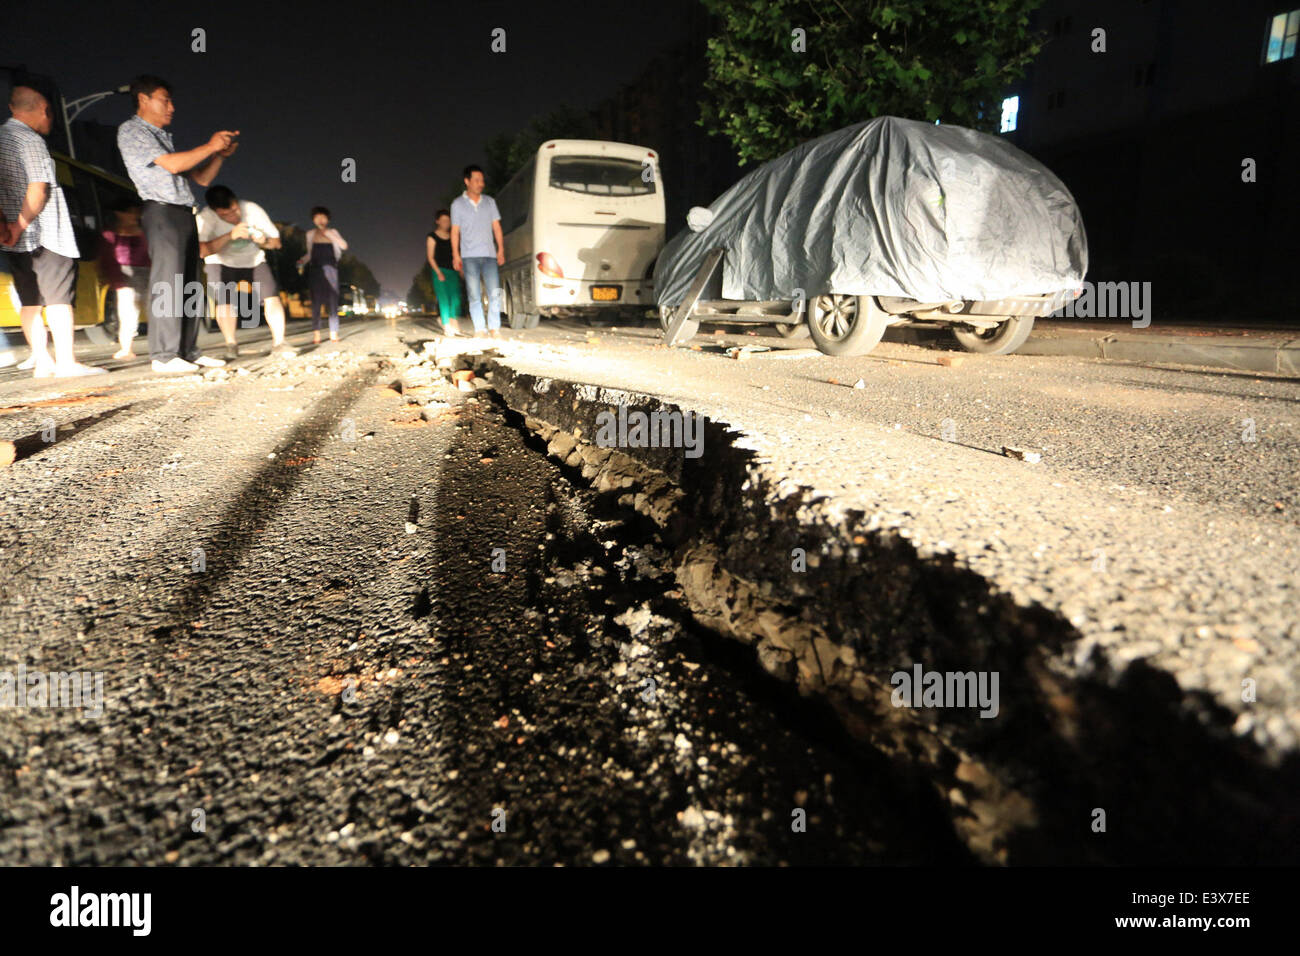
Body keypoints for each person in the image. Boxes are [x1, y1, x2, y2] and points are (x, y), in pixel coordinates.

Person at [117, 74, 236, 373]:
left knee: (190, 284)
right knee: (168, 283)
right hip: (161, 212)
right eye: (165, 100)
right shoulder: (132, 131)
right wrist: (210, 145)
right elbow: (174, 164)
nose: (172, 107)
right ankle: (164, 356)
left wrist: (219, 154)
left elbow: (202, 178)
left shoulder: (163, 137)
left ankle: (188, 351)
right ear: (143, 99)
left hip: (183, 212)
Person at [0, 86, 105, 377]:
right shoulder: (29, 140)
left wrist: (8, 229)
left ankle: (42, 361)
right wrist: (21, 225)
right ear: (45, 110)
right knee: (58, 300)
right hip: (45, 233)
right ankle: (67, 363)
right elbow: (39, 188)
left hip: (13, 239)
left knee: (30, 299)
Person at [196, 184, 295, 359]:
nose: (233, 216)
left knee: (271, 296)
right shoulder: (205, 217)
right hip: (220, 261)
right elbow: (202, 251)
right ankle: (231, 344)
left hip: (254, 259)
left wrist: (263, 241)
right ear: (215, 211)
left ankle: (279, 343)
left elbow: (276, 243)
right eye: (225, 215)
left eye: (235, 210)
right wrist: (229, 236)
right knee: (225, 300)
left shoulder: (252, 209)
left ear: (236, 202)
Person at [450, 164, 505, 339]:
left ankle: (495, 328)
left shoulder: (490, 202)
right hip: (469, 257)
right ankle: (480, 329)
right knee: (474, 295)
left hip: (489, 255)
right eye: (476, 180)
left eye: (482, 180)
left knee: (495, 292)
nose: (481, 183)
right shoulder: (457, 204)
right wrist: (455, 255)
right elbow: (455, 231)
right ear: (467, 181)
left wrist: (501, 249)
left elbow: (496, 227)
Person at [96, 198, 150, 360]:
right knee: (127, 313)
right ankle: (126, 348)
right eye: (131, 212)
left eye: (136, 212)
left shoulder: (146, 231)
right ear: (119, 213)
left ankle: (165, 346)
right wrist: (115, 280)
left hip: (149, 273)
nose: (135, 215)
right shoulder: (110, 234)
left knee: (157, 310)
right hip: (124, 276)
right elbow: (107, 259)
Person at [297, 206, 346, 344]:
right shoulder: (310, 234)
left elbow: (343, 246)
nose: (320, 219)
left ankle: (333, 333)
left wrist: (329, 234)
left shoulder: (333, 231)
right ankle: (316, 335)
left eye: (323, 217)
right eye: (317, 217)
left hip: (331, 269)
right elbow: (310, 253)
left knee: (332, 301)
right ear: (313, 220)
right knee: (316, 303)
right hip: (315, 270)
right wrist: (302, 260)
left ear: (327, 219)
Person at [425, 208, 460, 335]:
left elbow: (457, 253)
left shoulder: (453, 236)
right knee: (444, 299)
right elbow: (430, 256)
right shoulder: (432, 237)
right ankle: (446, 325)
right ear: (437, 221)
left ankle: (452, 319)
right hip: (439, 271)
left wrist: (460, 269)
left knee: (455, 299)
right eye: (443, 220)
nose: (446, 223)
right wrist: (438, 272)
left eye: (448, 220)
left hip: (453, 271)